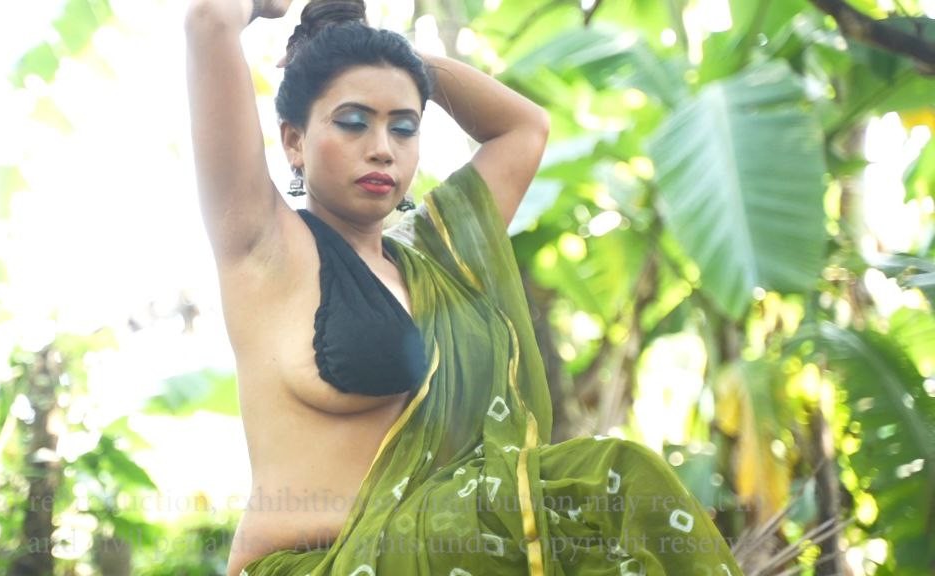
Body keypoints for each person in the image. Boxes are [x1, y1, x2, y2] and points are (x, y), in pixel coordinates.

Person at [184, 0, 744, 574]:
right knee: (609, 477)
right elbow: (208, 18)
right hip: (314, 565)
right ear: (294, 141)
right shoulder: (265, 248)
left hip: (444, 551)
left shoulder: (439, 258)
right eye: (353, 122)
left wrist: (391, 55)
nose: (382, 147)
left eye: (404, 127)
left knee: (615, 494)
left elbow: (525, 128)